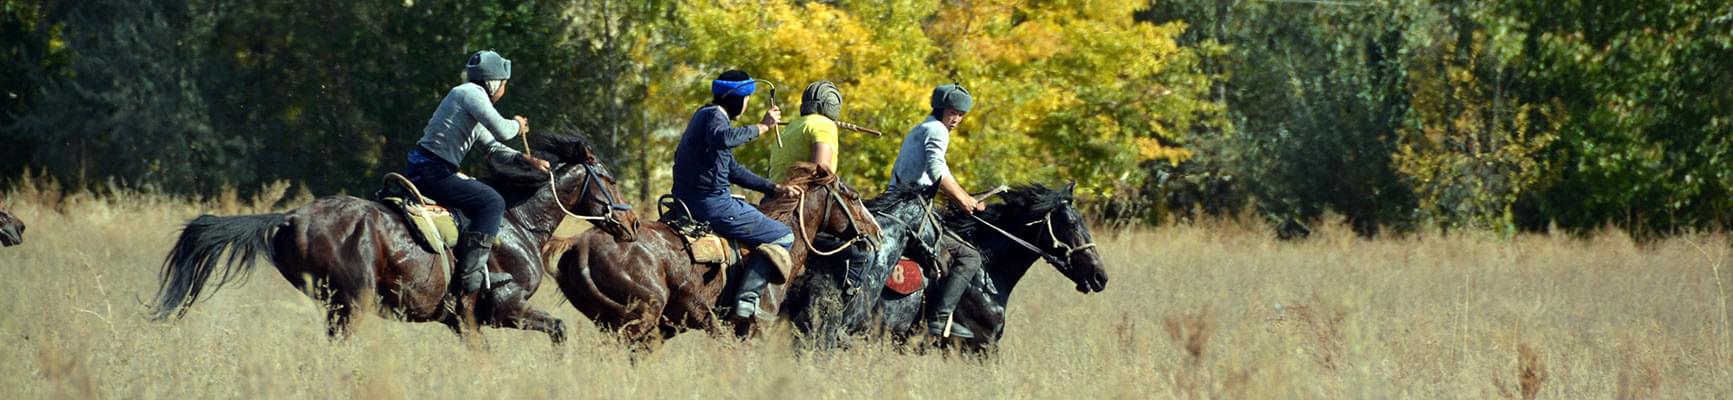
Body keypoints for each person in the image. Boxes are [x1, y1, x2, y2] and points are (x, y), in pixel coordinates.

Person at [404, 50, 552, 297]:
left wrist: (526, 159)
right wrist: (518, 124)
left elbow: (492, 147)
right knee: (492, 202)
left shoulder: (466, 99)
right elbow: (504, 131)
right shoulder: (472, 94)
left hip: (428, 168)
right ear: (495, 83)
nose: (504, 90)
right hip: (434, 172)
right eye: (504, 84)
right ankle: (471, 275)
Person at [670, 70, 803, 322]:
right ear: (737, 98)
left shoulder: (706, 116)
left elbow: (732, 170)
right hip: (711, 205)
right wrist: (763, 127)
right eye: (748, 98)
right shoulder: (714, 118)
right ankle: (747, 301)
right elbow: (722, 138)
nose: (748, 103)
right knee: (783, 234)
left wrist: (773, 189)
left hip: (693, 201)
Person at [888, 83, 987, 339]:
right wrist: (964, 203)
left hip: (899, 207)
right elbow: (936, 172)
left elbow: (943, 170)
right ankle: (941, 318)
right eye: (952, 112)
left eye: (961, 115)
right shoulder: (938, 131)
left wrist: (967, 197)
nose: (956, 119)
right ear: (941, 109)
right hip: (914, 212)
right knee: (970, 257)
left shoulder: (922, 128)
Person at [766, 80, 843, 182]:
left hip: (773, 194)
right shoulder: (824, 124)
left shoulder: (789, 128)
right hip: (799, 195)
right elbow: (820, 172)